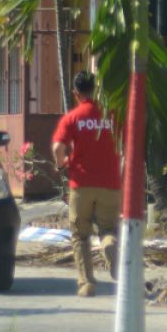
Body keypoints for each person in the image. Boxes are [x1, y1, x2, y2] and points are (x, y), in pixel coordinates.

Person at [52, 71, 121, 297]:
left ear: (75, 93)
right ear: (95, 89)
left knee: (80, 234)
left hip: (81, 183)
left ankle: (87, 283)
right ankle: (109, 245)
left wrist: (60, 162)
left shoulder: (73, 117)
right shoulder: (110, 115)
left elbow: (57, 148)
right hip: (110, 182)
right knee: (108, 228)